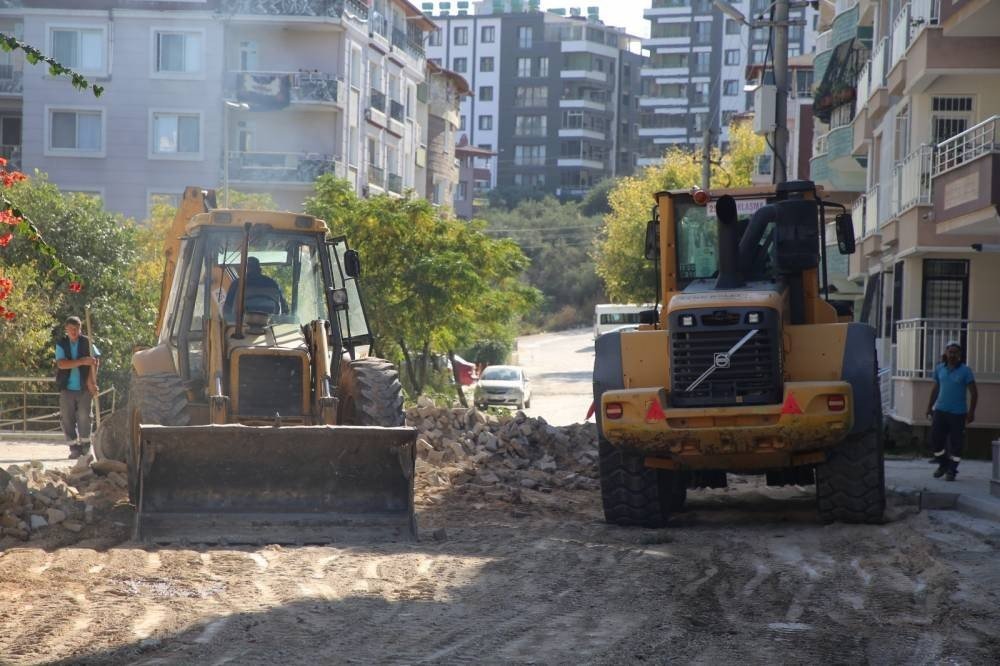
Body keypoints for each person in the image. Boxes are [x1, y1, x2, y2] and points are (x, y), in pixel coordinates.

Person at [925, 341, 977, 481]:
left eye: (955, 352)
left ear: (959, 355)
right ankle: (943, 464)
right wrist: (929, 407)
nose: (952, 355)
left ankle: (952, 470)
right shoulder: (940, 369)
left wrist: (971, 412)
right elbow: (935, 389)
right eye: (950, 352)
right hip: (940, 411)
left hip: (958, 413)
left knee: (956, 444)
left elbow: (974, 393)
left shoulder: (966, 371)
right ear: (946, 353)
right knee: (935, 441)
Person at [55, 315, 100, 459]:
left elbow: (95, 362)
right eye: (71, 329)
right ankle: (73, 447)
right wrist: (81, 361)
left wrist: (91, 382)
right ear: (66, 330)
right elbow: (62, 364)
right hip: (66, 387)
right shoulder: (61, 344)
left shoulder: (87, 342)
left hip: (84, 388)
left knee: (84, 417)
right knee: (67, 418)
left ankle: (85, 446)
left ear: (80, 329)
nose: (73, 331)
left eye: (76, 329)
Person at [223, 256, 287, 320]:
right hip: (269, 326)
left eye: (250, 268)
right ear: (260, 270)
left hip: (241, 327)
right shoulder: (273, 284)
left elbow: (227, 309)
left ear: (244, 269)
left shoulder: (238, 284)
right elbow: (284, 310)